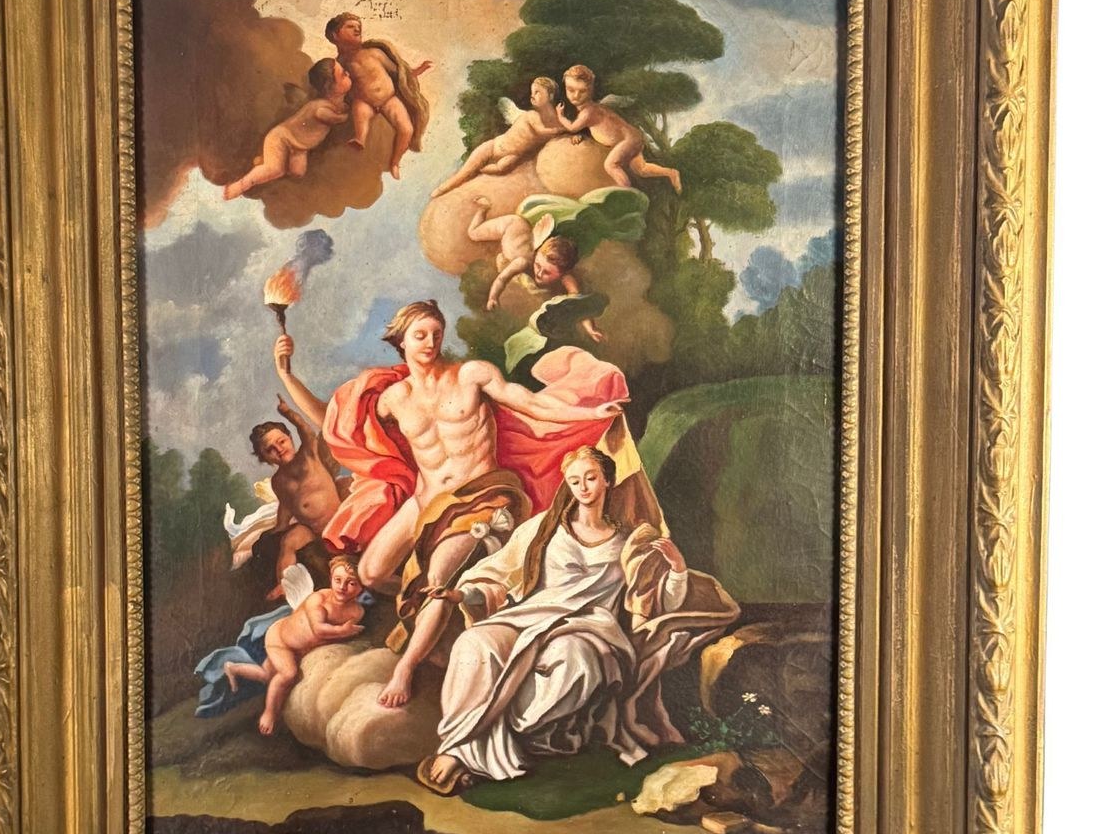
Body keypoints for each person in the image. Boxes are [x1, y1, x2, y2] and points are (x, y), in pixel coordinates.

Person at [274, 303, 628, 709]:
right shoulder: (393, 398)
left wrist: (587, 412)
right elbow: (335, 425)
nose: (430, 342)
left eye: (436, 334)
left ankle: (405, 667)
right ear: (401, 341)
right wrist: (287, 376)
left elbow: (529, 403)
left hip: (483, 493)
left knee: (438, 577)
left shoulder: (471, 375)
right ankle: (441, 617)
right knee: (370, 572)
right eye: (420, 335)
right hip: (426, 499)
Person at [416, 445, 739, 793]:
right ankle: (457, 746)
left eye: (590, 478)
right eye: (574, 481)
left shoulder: (629, 543)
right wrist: (462, 595)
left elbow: (662, 602)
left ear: (607, 481)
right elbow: (500, 573)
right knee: (474, 642)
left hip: (591, 630)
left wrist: (676, 569)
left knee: (574, 660)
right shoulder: (544, 528)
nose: (583, 487)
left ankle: (508, 737)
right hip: (530, 617)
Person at [222, 556, 366, 735]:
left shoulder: (357, 612)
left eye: (351, 583)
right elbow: (319, 629)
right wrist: (342, 631)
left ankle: (233, 668)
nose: (342, 587)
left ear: (362, 587)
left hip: (302, 648)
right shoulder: (318, 599)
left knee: (267, 675)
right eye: (338, 580)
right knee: (288, 674)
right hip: (280, 640)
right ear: (330, 578)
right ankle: (269, 713)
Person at [239, 385, 347, 600]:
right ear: (264, 458)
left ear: (290, 438)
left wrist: (289, 413)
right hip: (312, 530)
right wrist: (279, 527)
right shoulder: (278, 481)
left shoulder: (308, 455)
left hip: (337, 521)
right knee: (288, 542)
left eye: (281, 441)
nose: (279, 449)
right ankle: (284, 583)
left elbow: (307, 431)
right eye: (270, 449)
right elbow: (286, 505)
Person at [465, 195, 605, 342]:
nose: (539, 273)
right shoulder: (522, 262)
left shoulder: (567, 278)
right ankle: (484, 208)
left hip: (526, 239)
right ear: (537, 254)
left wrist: (591, 329)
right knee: (473, 233)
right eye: (538, 265)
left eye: (547, 272)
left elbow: (578, 304)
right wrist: (493, 297)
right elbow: (502, 279)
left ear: (562, 273)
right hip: (512, 226)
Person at [324, 12, 434, 180]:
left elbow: (400, 73)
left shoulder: (374, 53)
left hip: (388, 100)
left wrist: (418, 70)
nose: (357, 30)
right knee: (360, 111)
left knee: (407, 129)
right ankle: (359, 139)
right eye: (350, 27)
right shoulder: (339, 64)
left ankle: (395, 162)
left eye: (358, 27)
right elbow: (337, 87)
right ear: (335, 35)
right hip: (363, 102)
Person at [223, 59, 352, 199]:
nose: (348, 74)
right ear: (330, 87)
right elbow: (325, 115)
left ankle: (276, 184)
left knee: (298, 173)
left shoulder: (332, 103)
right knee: (275, 169)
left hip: (298, 147)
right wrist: (344, 116)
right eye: (343, 74)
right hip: (281, 138)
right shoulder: (322, 106)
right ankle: (241, 185)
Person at [556, 64, 681, 192]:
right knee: (641, 169)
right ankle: (671, 173)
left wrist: (560, 116)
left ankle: (626, 191)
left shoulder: (588, 112)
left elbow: (572, 128)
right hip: (634, 137)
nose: (576, 95)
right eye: (571, 90)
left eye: (582, 91)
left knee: (611, 165)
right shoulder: (595, 108)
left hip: (627, 141)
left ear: (590, 90)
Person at [430, 79, 563, 197]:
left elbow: (547, 134)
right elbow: (542, 131)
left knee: (501, 168)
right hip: (493, 147)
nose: (532, 96)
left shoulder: (552, 120)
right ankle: (441, 190)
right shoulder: (532, 115)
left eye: (537, 92)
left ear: (550, 95)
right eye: (532, 92)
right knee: (464, 173)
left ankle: (481, 170)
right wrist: (561, 129)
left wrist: (563, 127)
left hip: (513, 155)